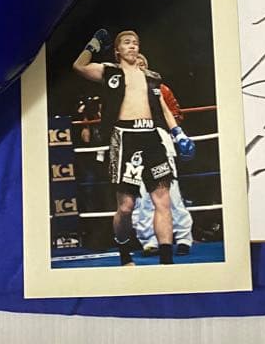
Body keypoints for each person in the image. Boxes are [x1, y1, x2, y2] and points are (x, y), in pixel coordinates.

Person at [73, 28, 196, 266]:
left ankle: (167, 261)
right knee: (126, 206)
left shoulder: (152, 77)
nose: (132, 46)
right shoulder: (109, 71)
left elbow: (162, 107)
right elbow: (78, 67)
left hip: (151, 137)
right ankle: (124, 252)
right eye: (127, 42)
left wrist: (178, 133)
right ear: (117, 50)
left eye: (135, 43)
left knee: (163, 201)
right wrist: (93, 44)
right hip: (124, 138)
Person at [131, 53, 194, 255]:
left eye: (142, 63)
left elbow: (172, 112)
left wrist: (178, 133)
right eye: (135, 63)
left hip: (159, 138)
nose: (139, 66)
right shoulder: (120, 88)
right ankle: (149, 240)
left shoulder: (158, 87)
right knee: (142, 194)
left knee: (171, 190)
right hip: (133, 141)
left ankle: (183, 237)